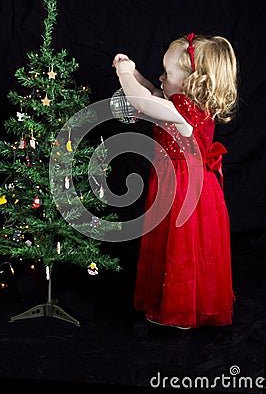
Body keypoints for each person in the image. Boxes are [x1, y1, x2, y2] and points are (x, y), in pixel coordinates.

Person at [112, 33, 238, 329]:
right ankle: (178, 303)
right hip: (186, 183)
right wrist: (135, 72)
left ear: (192, 82)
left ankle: (181, 310)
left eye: (168, 73)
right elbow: (153, 93)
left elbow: (140, 99)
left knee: (181, 248)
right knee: (178, 247)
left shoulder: (180, 112)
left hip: (184, 189)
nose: (161, 77)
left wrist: (124, 73)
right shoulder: (182, 105)